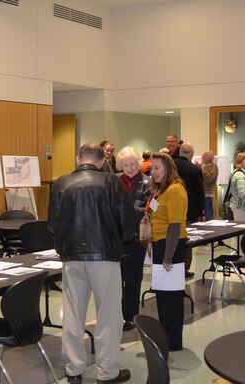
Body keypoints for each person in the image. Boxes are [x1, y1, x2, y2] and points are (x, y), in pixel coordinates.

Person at [48, 143, 136, 384]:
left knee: (73, 315)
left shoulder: (60, 184)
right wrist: (119, 240)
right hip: (105, 257)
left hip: (71, 258)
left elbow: (52, 225)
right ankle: (107, 372)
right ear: (100, 162)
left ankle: (74, 370)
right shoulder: (111, 182)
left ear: (78, 159)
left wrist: (63, 248)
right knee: (108, 314)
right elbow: (127, 224)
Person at [148, 152, 188, 351]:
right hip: (161, 244)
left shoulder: (175, 190)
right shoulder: (161, 190)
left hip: (171, 245)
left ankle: (173, 341)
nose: (153, 172)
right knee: (163, 295)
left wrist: (167, 256)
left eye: (157, 168)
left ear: (167, 168)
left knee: (171, 296)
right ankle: (165, 336)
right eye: (151, 168)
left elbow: (174, 225)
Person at [115, 146, 152, 332]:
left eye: (132, 164)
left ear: (138, 163)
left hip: (136, 239)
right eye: (125, 165)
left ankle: (130, 316)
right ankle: (115, 315)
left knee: (132, 280)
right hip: (114, 239)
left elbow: (146, 210)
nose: (129, 168)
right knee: (114, 281)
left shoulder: (148, 182)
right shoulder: (113, 181)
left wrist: (120, 209)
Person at [173, 143, 205, 278]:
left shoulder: (171, 166)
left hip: (170, 209)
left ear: (180, 152)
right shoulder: (194, 170)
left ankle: (172, 265)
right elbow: (199, 193)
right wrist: (201, 212)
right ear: (191, 153)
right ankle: (184, 269)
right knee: (186, 240)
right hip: (189, 211)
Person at [229, 152, 245, 221]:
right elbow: (242, 193)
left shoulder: (238, 173)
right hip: (240, 207)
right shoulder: (240, 175)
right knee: (241, 229)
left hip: (238, 206)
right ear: (240, 162)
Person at [200, 150, 218, 221]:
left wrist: (201, 170)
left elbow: (209, 179)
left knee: (209, 216)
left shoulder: (214, 167)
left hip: (208, 194)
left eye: (204, 155)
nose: (202, 157)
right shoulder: (203, 166)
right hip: (201, 194)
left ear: (209, 157)